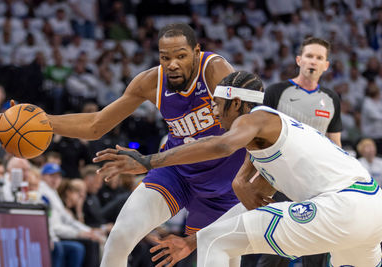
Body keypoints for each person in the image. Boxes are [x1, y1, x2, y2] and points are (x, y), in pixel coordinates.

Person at [0, 23, 245, 266]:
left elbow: (230, 141)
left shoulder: (216, 71)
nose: (172, 64)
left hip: (224, 183)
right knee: (120, 235)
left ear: (196, 52)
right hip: (176, 171)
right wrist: (43, 121)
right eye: (165, 57)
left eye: (181, 56)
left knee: (218, 260)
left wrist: (147, 161)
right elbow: (96, 125)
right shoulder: (150, 82)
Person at [93, 71, 382, 267]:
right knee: (215, 238)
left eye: (217, 105)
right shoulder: (270, 143)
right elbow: (254, 205)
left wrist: (148, 161)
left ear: (236, 103)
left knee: (216, 241)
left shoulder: (258, 117)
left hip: (343, 205)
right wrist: (192, 240)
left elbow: (221, 145)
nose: (214, 112)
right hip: (370, 210)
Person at [259, 37, 342, 266]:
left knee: (315, 251)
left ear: (326, 65)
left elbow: (336, 146)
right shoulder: (276, 92)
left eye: (319, 58)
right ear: (299, 60)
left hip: (317, 186)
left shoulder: (331, 99)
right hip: (279, 183)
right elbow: (257, 137)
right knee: (276, 251)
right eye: (309, 56)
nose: (313, 61)